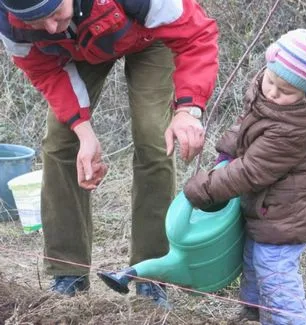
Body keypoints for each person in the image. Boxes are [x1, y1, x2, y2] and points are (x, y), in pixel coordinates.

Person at [0, 0, 218, 305]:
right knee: (61, 142)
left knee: (154, 141)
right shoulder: (11, 23)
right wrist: (83, 131)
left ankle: (150, 274)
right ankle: (69, 272)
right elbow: (45, 71)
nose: (49, 27)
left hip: (151, 37)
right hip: (80, 47)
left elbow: (196, 35)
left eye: (52, 14)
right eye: (37, 22)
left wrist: (188, 109)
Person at [184, 29, 306, 324]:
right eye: (271, 80)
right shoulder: (268, 98)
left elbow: (251, 171)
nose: (274, 92)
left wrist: (206, 188)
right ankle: (253, 313)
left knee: (274, 270)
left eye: (286, 91)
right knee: (252, 260)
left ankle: (288, 319)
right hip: (266, 209)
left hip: (286, 215)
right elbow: (245, 126)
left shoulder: (294, 129)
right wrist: (226, 153)